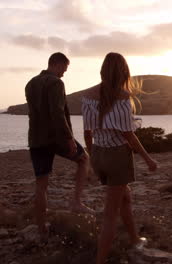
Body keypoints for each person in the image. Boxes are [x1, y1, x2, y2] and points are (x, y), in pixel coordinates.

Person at [81, 52, 158, 264]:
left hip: (98, 153)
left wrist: (94, 158)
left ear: (103, 70)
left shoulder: (87, 96)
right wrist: (148, 160)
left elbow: (87, 133)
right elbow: (128, 135)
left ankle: (134, 239)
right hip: (117, 157)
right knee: (109, 215)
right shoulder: (123, 98)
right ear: (124, 72)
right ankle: (100, 261)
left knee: (125, 196)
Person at [26, 52, 94, 240]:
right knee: (84, 159)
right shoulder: (56, 83)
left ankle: (41, 229)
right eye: (64, 68)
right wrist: (69, 138)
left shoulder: (30, 83)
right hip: (56, 138)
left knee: (41, 185)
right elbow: (57, 113)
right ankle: (76, 202)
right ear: (56, 64)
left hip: (36, 139)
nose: (64, 72)